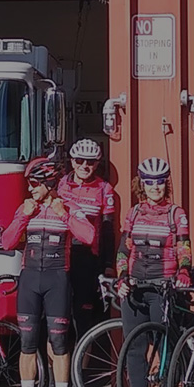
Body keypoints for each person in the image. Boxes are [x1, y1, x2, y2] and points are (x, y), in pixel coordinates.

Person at [1, 158, 96, 387]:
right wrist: (24, 216)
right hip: (30, 279)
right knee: (27, 343)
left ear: (49, 183)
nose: (30, 188)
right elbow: (7, 242)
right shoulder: (26, 208)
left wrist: (64, 214)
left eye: (34, 184)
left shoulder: (68, 207)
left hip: (57, 280)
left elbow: (89, 236)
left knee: (59, 342)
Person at [117, 156, 192, 387]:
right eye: (149, 182)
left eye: (160, 182)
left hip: (163, 287)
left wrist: (183, 272)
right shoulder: (134, 213)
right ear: (142, 184)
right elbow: (123, 250)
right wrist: (121, 277)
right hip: (136, 287)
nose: (155, 187)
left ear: (166, 183)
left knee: (166, 346)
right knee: (134, 348)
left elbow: (184, 247)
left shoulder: (176, 214)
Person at [57, 138, 117, 331]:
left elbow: (108, 230)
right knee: (56, 313)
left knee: (83, 314)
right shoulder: (60, 184)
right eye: (80, 160)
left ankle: (82, 351)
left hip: (88, 257)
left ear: (97, 163)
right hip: (59, 255)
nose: (84, 165)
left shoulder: (104, 189)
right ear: (72, 161)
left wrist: (108, 264)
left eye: (90, 161)